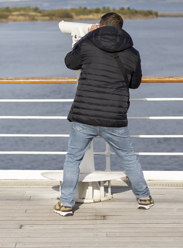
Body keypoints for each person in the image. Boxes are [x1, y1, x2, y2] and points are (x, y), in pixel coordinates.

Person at [53, 12, 153, 216]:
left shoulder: (88, 43)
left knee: (73, 159)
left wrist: (84, 37)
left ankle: (65, 204)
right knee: (128, 157)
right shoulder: (133, 52)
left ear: (100, 26)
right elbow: (134, 84)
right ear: (121, 29)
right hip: (114, 116)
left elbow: (70, 62)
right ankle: (143, 197)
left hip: (84, 114)